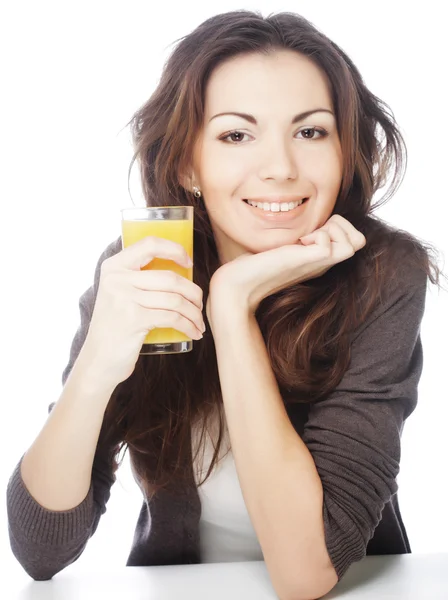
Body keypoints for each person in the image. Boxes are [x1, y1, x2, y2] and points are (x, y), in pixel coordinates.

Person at [6, 9, 446, 600]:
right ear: (189, 161)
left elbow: (304, 574)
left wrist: (233, 304)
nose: (281, 169)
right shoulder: (147, 267)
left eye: (311, 131)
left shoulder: (381, 274)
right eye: (237, 135)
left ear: (346, 150)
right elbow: (40, 553)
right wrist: (95, 368)